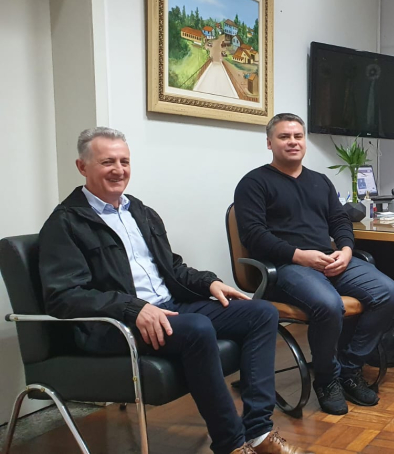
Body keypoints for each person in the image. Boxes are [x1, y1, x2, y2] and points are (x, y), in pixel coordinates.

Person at [38, 127, 306, 454]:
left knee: (261, 312)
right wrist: (133, 308)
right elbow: (63, 296)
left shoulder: (140, 212)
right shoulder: (65, 223)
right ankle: (231, 444)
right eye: (108, 161)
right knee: (196, 327)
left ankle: (260, 433)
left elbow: (173, 268)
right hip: (115, 325)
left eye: (124, 161)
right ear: (82, 167)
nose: (119, 170)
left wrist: (210, 282)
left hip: (169, 306)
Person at [234, 113, 394, 415]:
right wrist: (299, 255)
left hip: (331, 261)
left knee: (387, 291)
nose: (293, 142)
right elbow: (254, 236)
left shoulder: (319, 182)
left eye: (298, 136)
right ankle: (326, 379)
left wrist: (347, 250)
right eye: (284, 137)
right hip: (286, 267)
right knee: (328, 304)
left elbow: (339, 221)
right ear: (270, 142)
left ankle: (349, 370)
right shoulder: (254, 183)